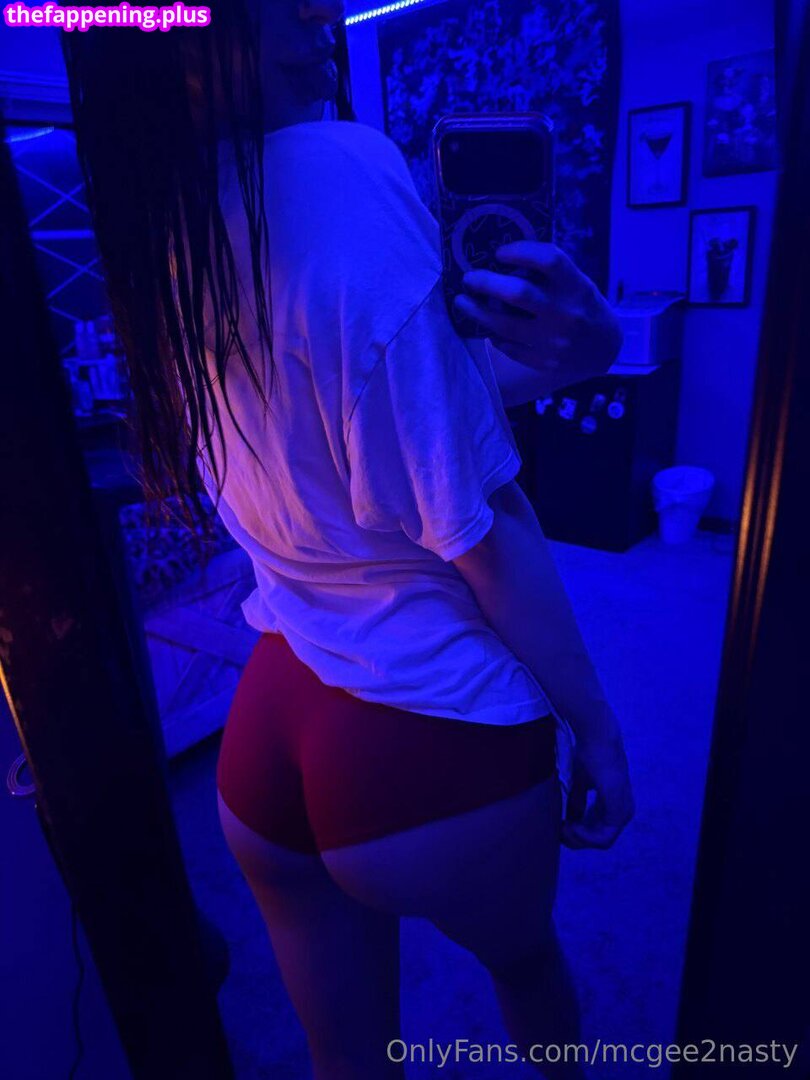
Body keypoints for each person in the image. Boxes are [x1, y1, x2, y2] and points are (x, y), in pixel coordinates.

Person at [63, 3, 633, 1077]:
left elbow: (397, 422)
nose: (323, 13)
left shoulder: (170, 221)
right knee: (529, 971)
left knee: (348, 1062)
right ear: (191, 35)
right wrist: (597, 728)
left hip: (271, 729)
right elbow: (480, 526)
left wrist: (581, 351)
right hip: (425, 739)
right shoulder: (346, 166)